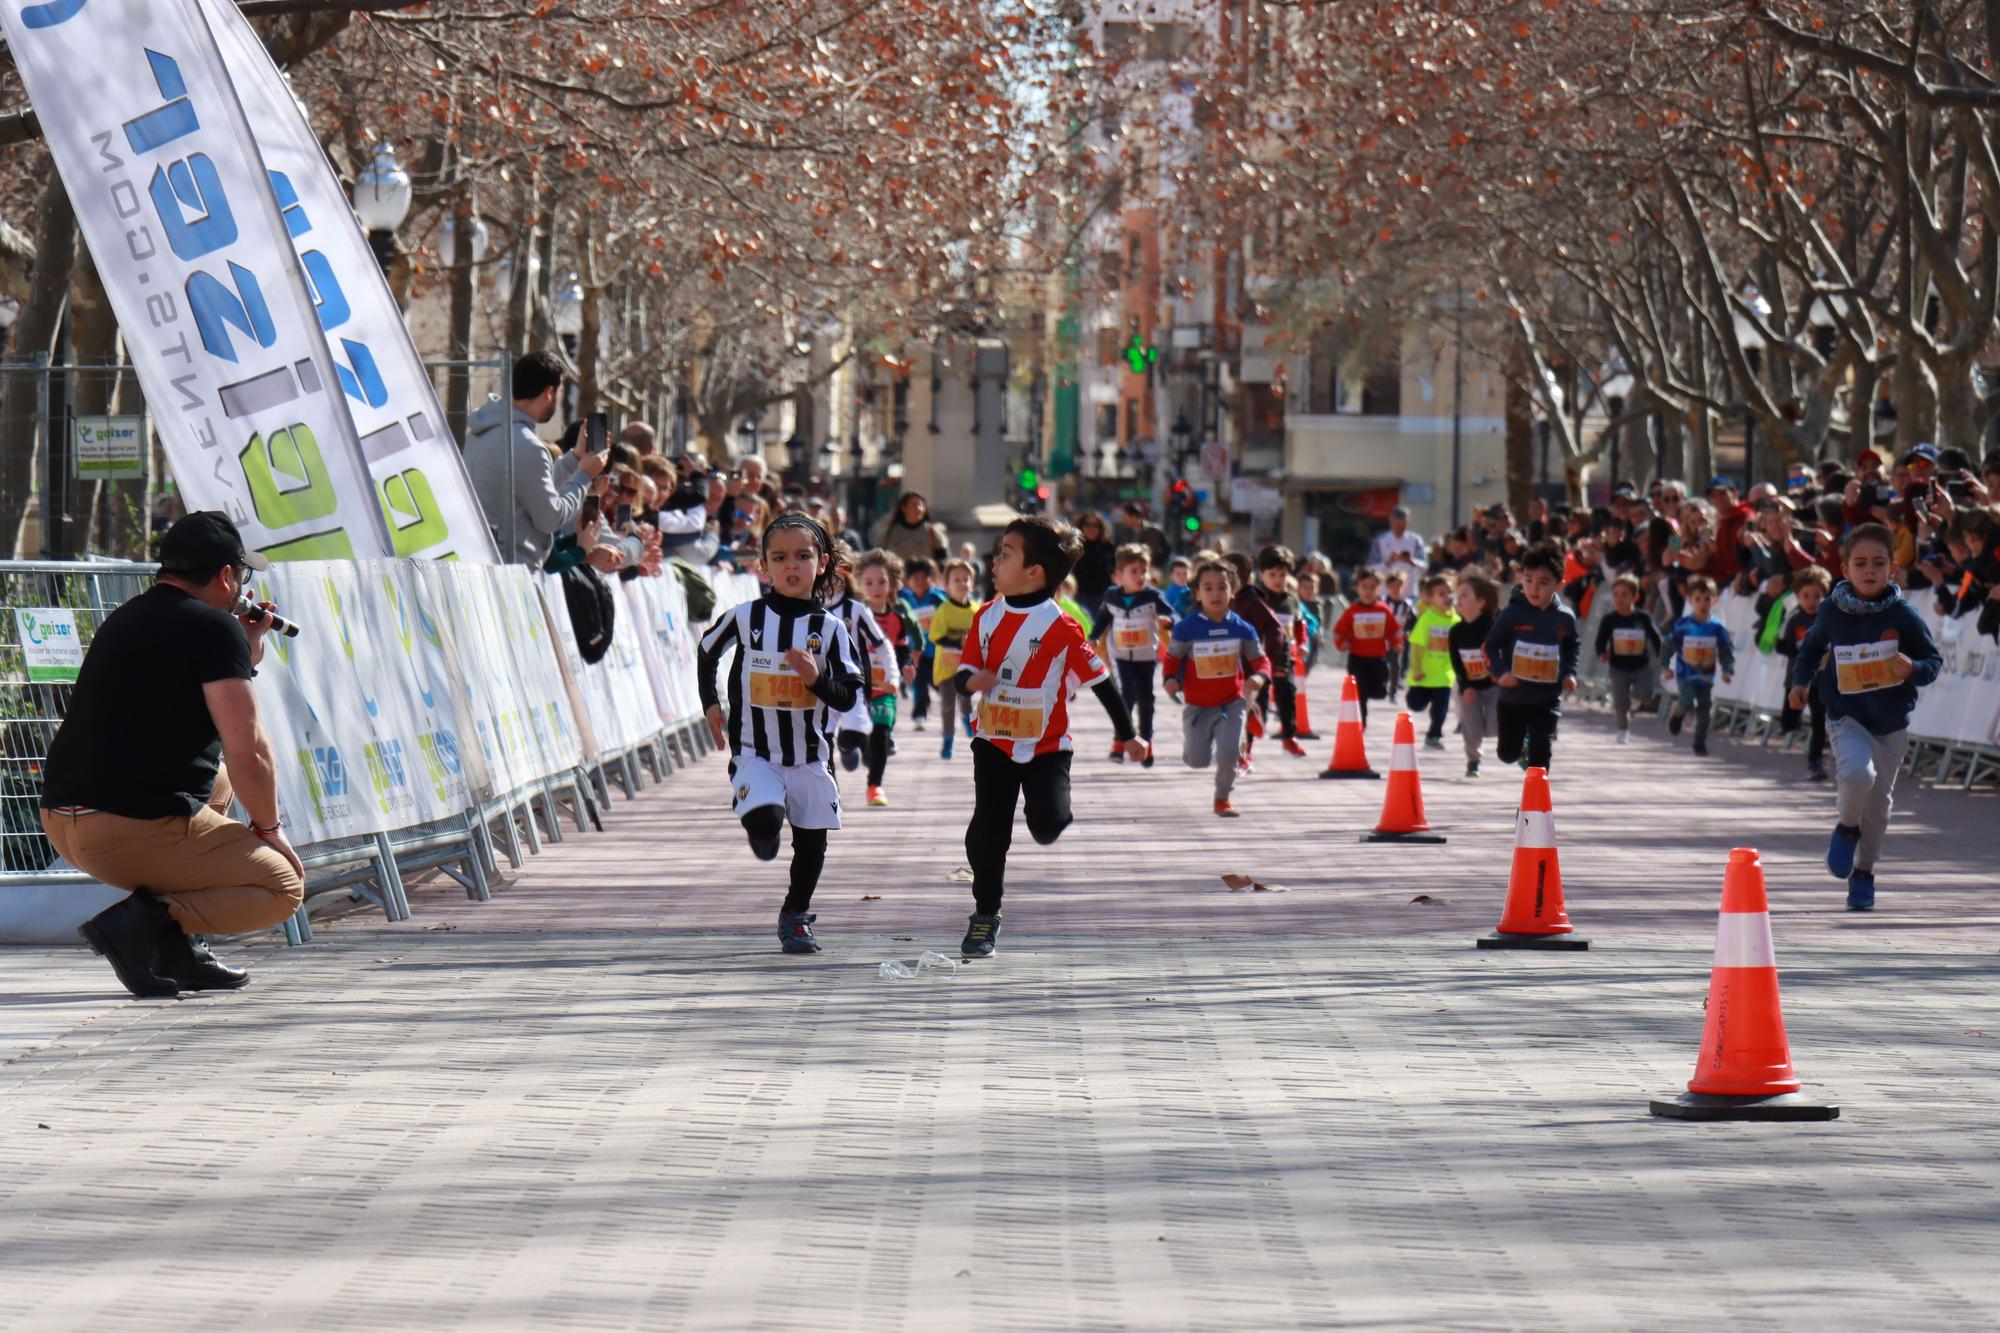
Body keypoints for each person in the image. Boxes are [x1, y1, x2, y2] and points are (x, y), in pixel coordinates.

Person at [40, 512, 306, 997]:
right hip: (127, 829)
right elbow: (251, 753)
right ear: (227, 575)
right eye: (242, 575)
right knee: (283, 887)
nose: (242, 587)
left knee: (218, 781)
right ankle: (142, 923)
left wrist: (246, 652)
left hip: (64, 822)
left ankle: (180, 953)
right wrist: (269, 830)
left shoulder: (126, 617)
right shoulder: (213, 629)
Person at [955, 516, 1143, 958]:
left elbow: (1100, 682)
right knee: (989, 832)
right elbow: (962, 672)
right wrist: (972, 682)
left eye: (1005, 554)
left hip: (1047, 748)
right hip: (993, 743)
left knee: (1047, 823)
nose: (995, 561)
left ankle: (1048, 816)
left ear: (1035, 571)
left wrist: (1128, 735)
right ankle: (986, 914)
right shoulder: (986, 615)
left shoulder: (1060, 625)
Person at [698, 514, 867, 954]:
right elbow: (705, 651)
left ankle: (795, 915)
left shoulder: (831, 630)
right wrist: (711, 704)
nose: (791, 566)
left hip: (811, 756)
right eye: (779, 557)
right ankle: (762, 824)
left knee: (812, 846)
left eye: (802, 556)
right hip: (756, 750)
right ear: (762, 567)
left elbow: (848, 696)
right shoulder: (745, 616)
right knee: (766, 821)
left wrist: (816, 681)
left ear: (822, 562)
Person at [1787, 523, 1943, 911]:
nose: (1869, 570)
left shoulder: (1903, 613)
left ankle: (1864, 872)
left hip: (1891, 723)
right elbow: (1810, 649)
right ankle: (1845, 827)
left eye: (1878, 563)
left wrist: (1912, 668)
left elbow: (1932, 661)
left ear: (1892, 569)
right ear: (1844, 569)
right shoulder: (1831, 610)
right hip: (1845, 714)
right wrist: (1800, 682)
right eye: (1860, 563)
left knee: (1879, 806)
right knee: (1857, 775)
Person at [465, 350, 608, 565]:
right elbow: (549, 518)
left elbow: (531, 490)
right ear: (549, 393)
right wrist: (584, 476)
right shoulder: (527, 444)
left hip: (486, 560)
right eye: (561, 392)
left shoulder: (481, 431)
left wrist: (575, 457)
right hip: (513, 569)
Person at [1164, 560, 1271, 817]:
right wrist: (1170, 679)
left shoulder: (1242, 628)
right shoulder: (1187, 627)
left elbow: (1261, 660)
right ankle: (1206, 744)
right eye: (1208, 588)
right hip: (1198, 706)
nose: (1215, 594)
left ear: (1232, 591)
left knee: (1228, 752)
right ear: (1197, 593)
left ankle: (1222, 798)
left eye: (1222, 587)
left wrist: (1260, 676)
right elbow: (1172, 659)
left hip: (1231, 702)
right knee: (1197, 760)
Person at [1484, 543, 1579, 772]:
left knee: (1540, 759)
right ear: (1521, 579)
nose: (1534, 589)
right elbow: (1489, 646)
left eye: (1543, 583)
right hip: (1513, 697)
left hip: (1547, 698)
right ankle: (1520, 748)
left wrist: (1569, 673)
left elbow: (1572, 647)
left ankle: (1537, 804)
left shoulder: (1564, 618)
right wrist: (1500, 672)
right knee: (1507, 754)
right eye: (1528, 580)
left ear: (1559, 584)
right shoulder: (1512, 614)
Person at [854, 549, 918, 807]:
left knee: (881, 734)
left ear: (892, 583)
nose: (876, 588)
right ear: (859, 584)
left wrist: (907, 665)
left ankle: (874, 787)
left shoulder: (896, 619)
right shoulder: (854, 617)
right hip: (857, 689)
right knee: (863, 738)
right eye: (868, 582)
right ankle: (866, 749)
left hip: (886, 689)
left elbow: (902, 649)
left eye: (881, 581)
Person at [1664, 574, 1735, 757]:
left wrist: (1727, 670)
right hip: (1685, 674)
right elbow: (1668, 645)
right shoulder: (1683, 625)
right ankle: (1678, 712)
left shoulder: (1717, 628)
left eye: (1707, 599)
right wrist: (1666, 666)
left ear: (1714, 600)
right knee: (1687, 700)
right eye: (1698, 599)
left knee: (1705, 711)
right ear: (1689, 600)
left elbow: (1725, 649)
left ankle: (1699, 742)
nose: (1703, 603)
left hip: (1707, 677)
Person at [1776, 565, 1834, 782]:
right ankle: (1792, 727)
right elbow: (1780, 645)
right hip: (1797, 680)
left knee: (1820, 722)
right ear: (1798, 596)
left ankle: (1815, 762)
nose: (1811, 601)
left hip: (1820, 681)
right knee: (1789, 720)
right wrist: (1797, 650)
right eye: (1806, 596)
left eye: (1817, 596)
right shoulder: (1794, 618)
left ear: (1825, 595)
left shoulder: (1828, 619)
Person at [1595, 573, 1664, 744]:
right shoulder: (1609, 619)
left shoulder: (1642, 617)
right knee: (1620, 703)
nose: (1619, 599)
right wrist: (1601, 653)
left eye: (1625, 594)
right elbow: (1600, 640)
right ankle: (1622, 729)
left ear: (1635, 596)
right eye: (1616, 594)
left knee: (1646, 694)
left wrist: (1663, 656)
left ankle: (1634, 700)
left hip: (1641, 665)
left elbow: (1656, 638)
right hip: (1618, 667)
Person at [1332, 567, 1402, 727]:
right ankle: (1360, 722)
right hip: (1357, 658)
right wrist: (1342, 643)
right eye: (1364, 587)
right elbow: (1338, 631)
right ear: (1357, 589)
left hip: (1378, 658)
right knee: (1360, 692)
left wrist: (1396, 642)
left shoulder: (1383, 610)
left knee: (1379, 691)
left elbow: (1394, 630)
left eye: (1372, 588)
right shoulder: (1352, 611)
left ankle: (1378, 690)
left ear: (1379, 589)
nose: (1368, 591)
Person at [1448, 573, 1501, 777]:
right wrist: (1465, 687)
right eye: (1457, 595)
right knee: (1472, 730)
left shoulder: (1494, 627)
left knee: (1495, 728)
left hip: (1494, 685)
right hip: (1469, 687)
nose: (1457, 600)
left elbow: (1503, 652)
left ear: (1480, 602)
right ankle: (1473, 761)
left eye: (1464, 595)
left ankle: (1520, 740)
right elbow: (1457, 664)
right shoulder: (1456, 632)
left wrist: (1500, 673)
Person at [927, 558, 980, 758]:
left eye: (965, 579)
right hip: (946, 667)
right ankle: (948, 739)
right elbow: (936, 637)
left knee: (967, 698)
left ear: (972, 584)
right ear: (946, 584)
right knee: (948, 704)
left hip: (967, 666)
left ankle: (967, 717)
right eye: (956, 580)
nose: (961, 584)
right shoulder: (944, 610)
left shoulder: (977, 610)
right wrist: (958, 643)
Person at [1402, 573, 1460, 750]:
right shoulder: (1426, 619)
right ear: (1431, 598)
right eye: (1441, 594)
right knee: (1416, 704)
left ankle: (1434, 735)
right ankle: (1415, 698)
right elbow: (1417, 647)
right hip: (1423, 674)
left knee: (1441, 709)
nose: (1447, 597)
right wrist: (1416, 668)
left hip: (1444, 676)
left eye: (1449, 592)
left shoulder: (1457, 620)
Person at [900, 557, 944, 731]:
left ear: (931, 578)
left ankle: (951, 705)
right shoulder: (904, 599)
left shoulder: (937, 599)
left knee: (938, 684)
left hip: (936, 652)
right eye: (914, 578)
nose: (919, 582)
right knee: (919, 684)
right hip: (916, 651)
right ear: (908, 580)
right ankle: (919, 714)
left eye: (923, 577)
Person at [871, 491, 950, 567]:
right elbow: (878, 557)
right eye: (914, 505)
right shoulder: (890, 533)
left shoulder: (933, 533)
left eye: (921, 506)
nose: (919, 509)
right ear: (903, 508)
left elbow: (943, 559)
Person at [1070, 510, 1118, 606]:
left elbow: (1115, 571)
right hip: (1079, 596)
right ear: (1081, 526)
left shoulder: (1108, 548)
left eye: (1095, 525)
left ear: (1101, 528)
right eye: (1087, 524)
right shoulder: (1075, 547)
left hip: (1103, 597)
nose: (1091, 528)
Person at [1368, 505, 1430, 572]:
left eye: (1403, 527)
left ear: (1407, 522)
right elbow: (1371, 568)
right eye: (1397, 526)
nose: (1400, 530)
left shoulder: (1416, 540)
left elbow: (1425, 566)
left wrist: (1411, 560)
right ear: (1391, 521)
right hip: (1386, 581)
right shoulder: (1380, 540)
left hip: (1411, 582)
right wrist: (1388, 562)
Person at [1116, 502, 1172, 568]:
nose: (1123, 519)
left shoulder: (1154, 532)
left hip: (1150, 570)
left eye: (1125, 516)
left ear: (1134, 517)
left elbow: (1167, 550)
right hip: (1129, 572)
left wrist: (1158, 565)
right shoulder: (1121, 533)